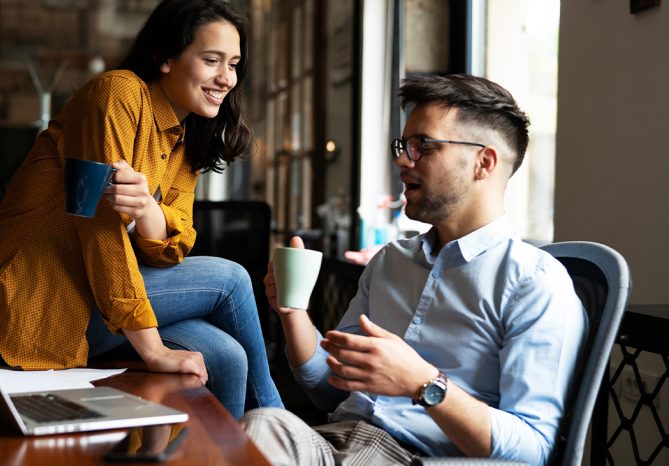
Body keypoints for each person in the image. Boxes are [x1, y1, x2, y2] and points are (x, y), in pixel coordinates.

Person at [0, 0, 282, 419]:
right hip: (28, 303)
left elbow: (172, 247)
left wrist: (147, 208)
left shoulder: (185, 137)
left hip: (92, 299)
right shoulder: (118, 93)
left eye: (234, 64)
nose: (226, 78)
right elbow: (97, 230)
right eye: (211, 60)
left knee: (226, 355)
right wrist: (154, 350)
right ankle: (282, 430)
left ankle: (238, 453)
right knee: (232, 278)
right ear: (165, 57)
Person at [241, 74, 588, 465]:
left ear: (483, 162)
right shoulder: (391, 261)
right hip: (337, 440)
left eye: (422, 145)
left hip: (419, 458)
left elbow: (533, 449)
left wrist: (423, 384)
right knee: (257, 426)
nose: (403, 160)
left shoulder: (534, 283)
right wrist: (293, 313)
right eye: (403, 145)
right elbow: (330, 390)